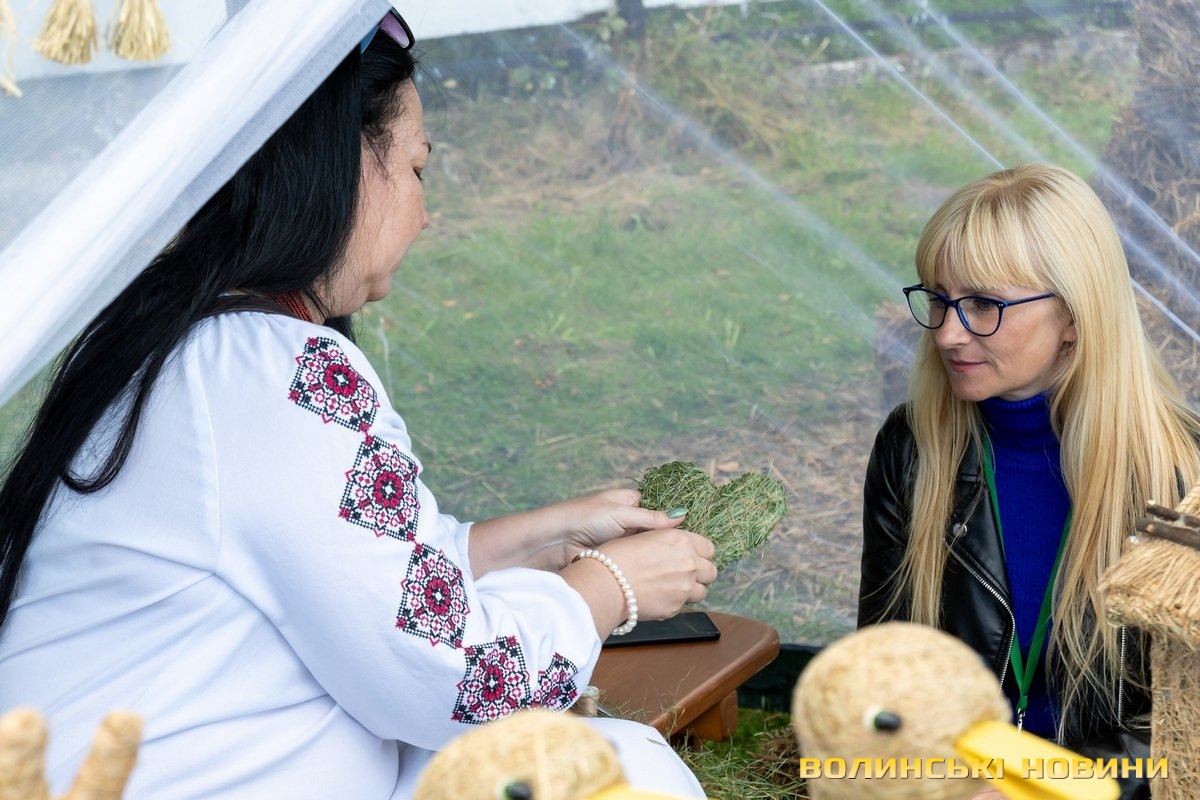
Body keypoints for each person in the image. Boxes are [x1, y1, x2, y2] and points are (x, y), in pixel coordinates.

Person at [0, 9, 716, 799]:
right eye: (415, 169)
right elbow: (455, 679)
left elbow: (359, 575)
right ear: (341, 167)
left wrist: (549, 538)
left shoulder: (188, 340)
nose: (425, 212)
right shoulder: (276, 371)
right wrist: (606, 589)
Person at [858, 163, 1200, 800]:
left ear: (1073, 314)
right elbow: (882, 665)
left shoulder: (1182, 471)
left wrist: (1044, 787)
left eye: (984, 305)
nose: (948, 334)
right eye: (938, 299)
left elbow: (1184, 723)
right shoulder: (912, 447)